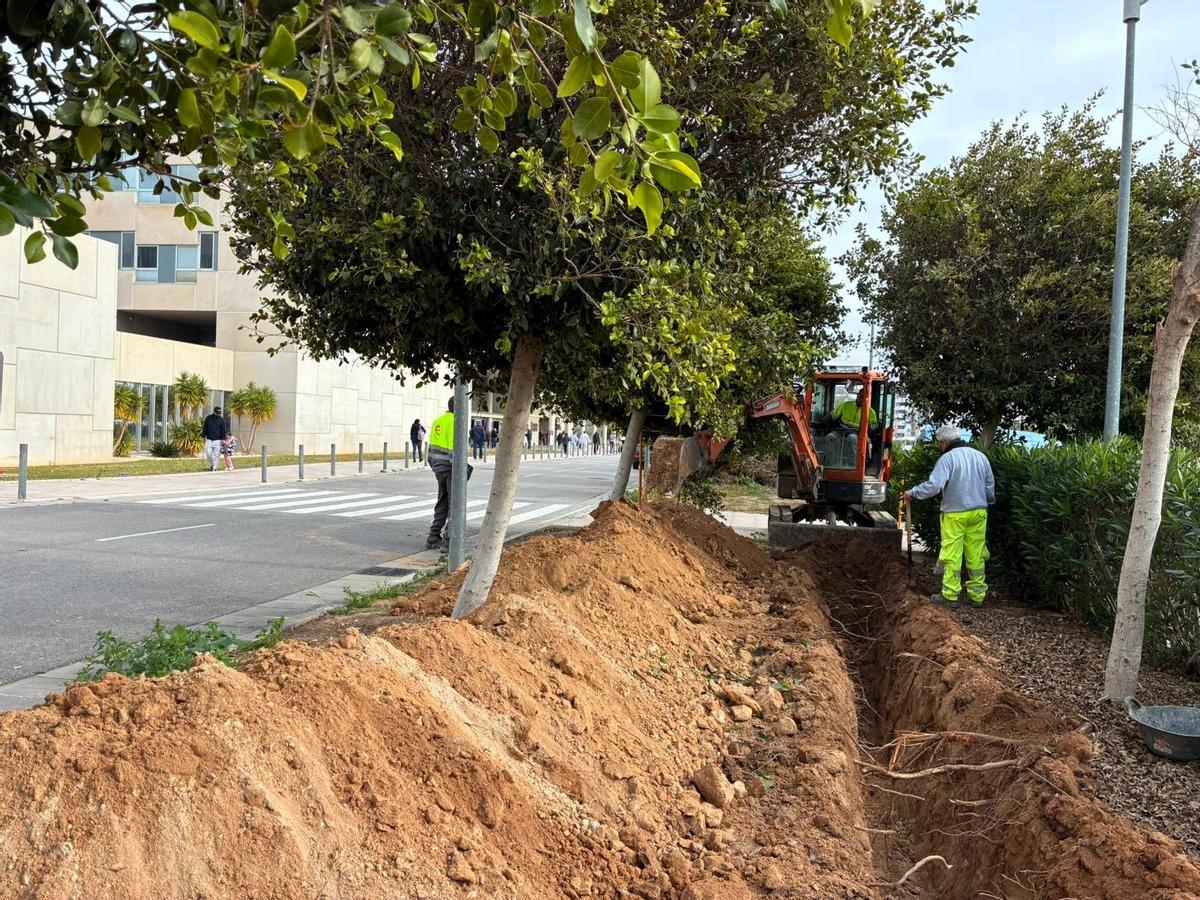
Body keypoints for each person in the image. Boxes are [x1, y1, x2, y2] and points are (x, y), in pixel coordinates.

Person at [902, 425, 996, 610]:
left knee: (952, 554)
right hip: (979, 512)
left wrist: (913, 492)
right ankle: (977, 596)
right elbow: (989, 486)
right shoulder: (980, 457)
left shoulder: (947, 458)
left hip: (955, 514)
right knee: (976, 554)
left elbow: (934, 486)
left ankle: (950, 596)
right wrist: (985, 503)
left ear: (944, 443)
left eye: (940, 444)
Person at [426, 397, 472, 551]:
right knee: (455, 505)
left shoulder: (438, 421)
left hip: (439, 468)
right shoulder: (456, 422)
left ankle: (433, 536)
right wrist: (461, 472)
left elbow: (431, 449)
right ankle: (448, 541)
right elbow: (455, 451)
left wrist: (436, 467)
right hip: (451, 469)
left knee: (443, 502)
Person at [823, 389, 878, 468]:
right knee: (829, 437)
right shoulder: (845, 405)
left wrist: (871, 426)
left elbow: (874, 425)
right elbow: (833, 415)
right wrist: (824, 421)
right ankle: (831, 463)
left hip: (857, 432)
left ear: (868, 398)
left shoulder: (871, 412)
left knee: (852, 439)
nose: (861, 399)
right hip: (841, 430)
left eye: (864, 397)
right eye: (860, 396)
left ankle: (852, 466)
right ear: (857, 396)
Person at [202, 406, 229, 472]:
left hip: (218, 440)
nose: (218, 414)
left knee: (216, 455)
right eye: (217, 412)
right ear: (214, 412)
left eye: (219, 413)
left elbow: (223, 430)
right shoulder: (208, 418)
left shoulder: (222, 420)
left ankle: (214, 467)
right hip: (209, 439)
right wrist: (203, 436)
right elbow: (205, 427)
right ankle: (212, 464)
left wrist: (223, 439)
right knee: (208, 453)